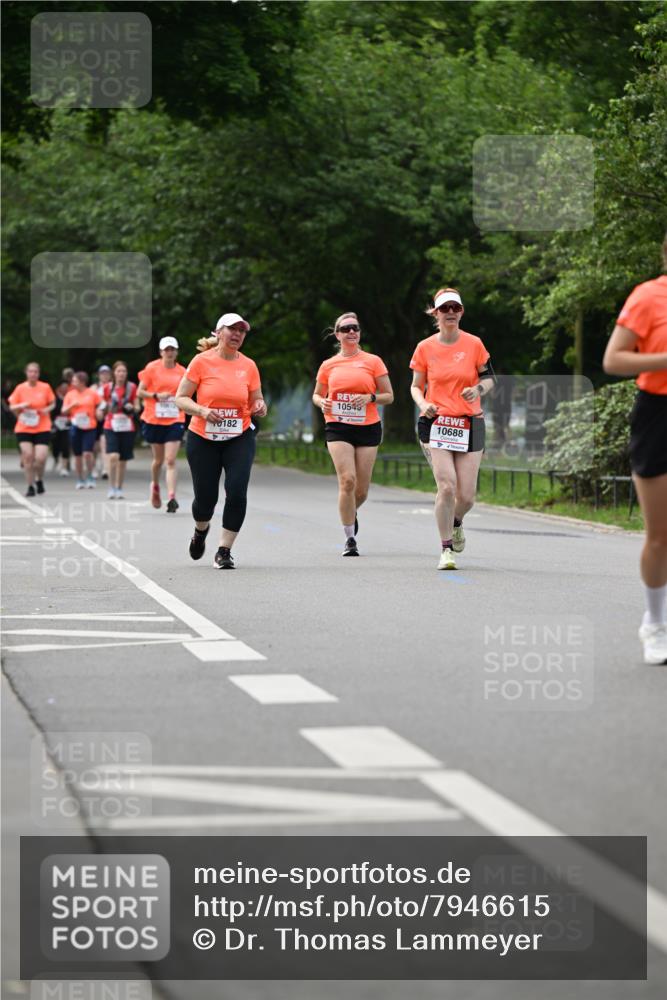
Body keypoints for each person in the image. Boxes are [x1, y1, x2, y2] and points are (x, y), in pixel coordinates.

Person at [603, 240, 667, 665]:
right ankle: (655, 623)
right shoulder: (648, 297)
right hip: (658, 416)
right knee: (660, 537)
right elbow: (613, 359)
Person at [410, 287, 496, 570]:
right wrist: (424, 404)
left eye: (455, 308)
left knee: (467, 496)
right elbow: (415, 386)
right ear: (435, 313)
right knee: (446, 486)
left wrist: (477, 388)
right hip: (437, 423)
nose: (450, 313)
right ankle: (446, 549)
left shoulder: (474, 344)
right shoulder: (425, 347)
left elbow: (490, 379)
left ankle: (456, 521)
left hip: (470, 423)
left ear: (461, 312)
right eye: (444, 309)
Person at [175, 312, 267, 569]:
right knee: (205, 499)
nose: (237, 334)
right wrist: (203, 411)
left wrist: (260, 405)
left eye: (242, 331)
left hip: (239, 436)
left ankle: (224, 550)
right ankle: (200, 531)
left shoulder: (248, 365)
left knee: (237, 491)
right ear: (218, 333)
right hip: (203, 437)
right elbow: (180, 398)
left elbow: (256, 398)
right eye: (232, 329)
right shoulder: (201, 362)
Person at [312, 311, 393, 556]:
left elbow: (389, 396)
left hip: (367, 426)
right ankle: (350, 539)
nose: (351, 332)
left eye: (355, 328)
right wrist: (321, 403)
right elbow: (317, 394)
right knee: (347, 480)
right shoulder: (328, 365)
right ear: (337, 334)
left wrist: (369, 397)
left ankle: (350, 511)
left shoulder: (373, 361)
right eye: (346, 328)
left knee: (361, 491)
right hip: (338, 426)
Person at [137, 337, 187, 513]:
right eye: (166, 349)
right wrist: (157, 396)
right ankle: (155, 485)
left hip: (175, 419)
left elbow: (188, 392)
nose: (170, 352)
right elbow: (140, 391)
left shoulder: (183, 372)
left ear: (176, 352)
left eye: (173, 349)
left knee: (170, 460)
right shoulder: (152, 368)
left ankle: (172, 496)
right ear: (161, 352)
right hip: (154, 419)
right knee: (158, 460)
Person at [8, 362, 55, 496]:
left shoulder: (45, 387)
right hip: (24, 427)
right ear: (26, 373)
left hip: (42, 426)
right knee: (28, 456)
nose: (33, 374)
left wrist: (46, 409)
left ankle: (39, 479)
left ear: (38, 373)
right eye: (30, 371)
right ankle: (30, 486)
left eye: (35, 371)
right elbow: (12, 407)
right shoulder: (20, 388)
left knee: (40, 458)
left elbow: (53, 403)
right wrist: (22, 405)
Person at [98, 361, 139, 500]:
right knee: (113, 456)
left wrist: (131, 407)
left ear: (126, 373)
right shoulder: (107, 388)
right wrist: (102, 410)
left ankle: (119, 487)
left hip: (127, 425)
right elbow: (101, 405)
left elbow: (138, 406)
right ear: (113, 374)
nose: (121, 374)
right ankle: (111, 487)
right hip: (111, 425)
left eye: (123, 371)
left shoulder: (132, 387)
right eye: (118, 371)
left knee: (122, 460)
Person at [61, 371, 100, 489]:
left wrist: (99, 412)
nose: (72, 383)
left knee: (88, 453)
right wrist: (71, 406)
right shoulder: (70, 394)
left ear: (82, 382)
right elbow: (63, 411)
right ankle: (80, 478)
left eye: (74, 381)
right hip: (75, 427)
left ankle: (90, 476)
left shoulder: (92, 393)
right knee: (77, 455)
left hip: (90, 427)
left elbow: (101, 405)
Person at [93, 364, 112, 479]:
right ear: (99, 375)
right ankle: (94, 466)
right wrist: (96, 411)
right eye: (102, 373)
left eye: (107, 373)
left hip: (108, 417)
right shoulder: (94, 388)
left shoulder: (113, 387)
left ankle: (106, 468)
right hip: (95, 419)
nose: (104, 376)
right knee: (95, 446)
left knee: (104, 443)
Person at [51, 380, 71, 476]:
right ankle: (56, 459)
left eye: (66, 387)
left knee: (65, 445)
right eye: (63, 387)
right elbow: (51, 413)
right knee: (55, 445)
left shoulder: (70, 398)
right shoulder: (54, 399)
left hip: (67, 425)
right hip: (56, 425)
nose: (64, 389)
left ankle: (64, 467)